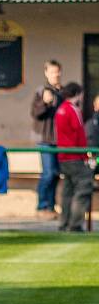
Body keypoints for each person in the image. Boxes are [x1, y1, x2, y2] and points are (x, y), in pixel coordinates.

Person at [55, 82, 93, 232]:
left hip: (63, 156)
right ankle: (75, 224)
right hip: (74, 155)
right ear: (77, 93)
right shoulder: (73, 110)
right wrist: (85, 156)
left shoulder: (60, 110)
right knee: (83, 187)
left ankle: (63, 223)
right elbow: (80, 135)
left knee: (68, 190)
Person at [31, 60, 64, 220]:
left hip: (60, 140)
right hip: (45, 139)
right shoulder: (41, 91)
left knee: (56, 173)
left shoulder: (62, 92)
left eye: (57, 71)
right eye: (52, 72)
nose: (55, 75)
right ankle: (42, 206)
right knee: (48, 173)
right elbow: (35, 113)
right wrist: (45, 102)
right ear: (46, 73)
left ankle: (50, 207)